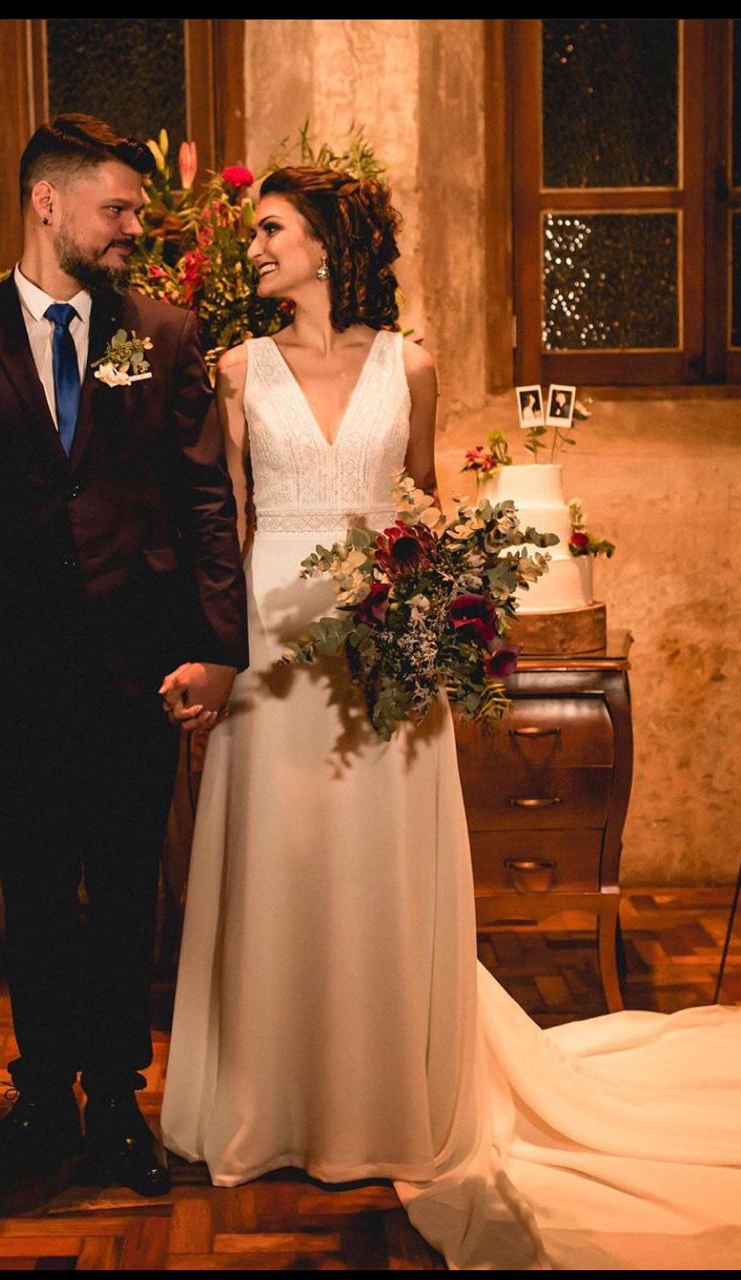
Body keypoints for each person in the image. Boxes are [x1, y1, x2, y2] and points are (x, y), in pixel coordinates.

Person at [159, 165, 741, 1268]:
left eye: (271, 229)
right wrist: (214, 653)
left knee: (376, 866)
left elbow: (418, 506)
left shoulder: (409, 366)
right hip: (271, 653)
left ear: (326, 241)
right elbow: (222, 528)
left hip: (386, 655)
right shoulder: (235, 370)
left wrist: (433, 618)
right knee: (277, 862)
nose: (255, 248)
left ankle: (384, 1100)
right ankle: (269, 1104)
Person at [0, 113, 247, 1212]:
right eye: (117, 208)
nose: (134, 226)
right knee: (38, 892)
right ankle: (41, 1099)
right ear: (47, 204)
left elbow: (203, 500)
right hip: (8, 672)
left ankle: (117, 1107)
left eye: (136, 209)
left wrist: (214, 648)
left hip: (139, 663)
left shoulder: (165, 334)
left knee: (128, 889)